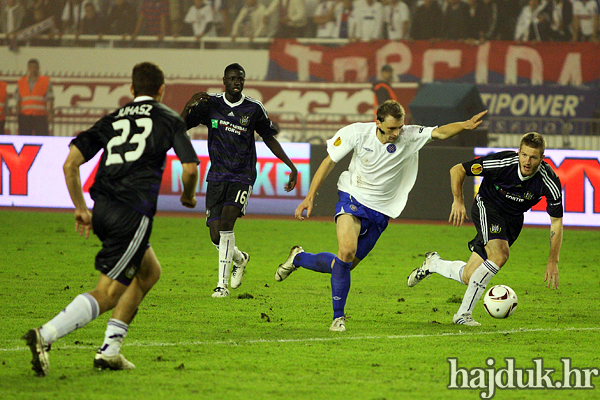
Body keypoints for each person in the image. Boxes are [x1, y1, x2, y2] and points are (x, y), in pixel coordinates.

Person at [22, 62, 199, 376]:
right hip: (131, 212)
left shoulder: (112, 119)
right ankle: (45, 335)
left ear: (131, 90)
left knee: (149, 272)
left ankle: (110, 350)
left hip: (102, 208)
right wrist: (188, 196)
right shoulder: (169, 119)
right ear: (162, 90)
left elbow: (70, 165)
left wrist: (80, 208)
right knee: (108, 292)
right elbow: (189, 169)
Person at [274, 100, 487, 332]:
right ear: (378, 123)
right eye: (391, 129)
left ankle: (298, 258)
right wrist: (310, 196)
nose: (397, 133)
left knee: (342, 265)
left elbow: (440, 132)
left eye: (400, 127)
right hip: (352, 196)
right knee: (346, 251)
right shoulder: (357, 133)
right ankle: (338, 318)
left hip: (382, 211)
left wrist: (464, 125)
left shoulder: (409, 135)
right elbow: (329, 162)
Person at [407, 132, 563, 326]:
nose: (527, 161)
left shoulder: (549, 181)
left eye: (533, 157)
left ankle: (434, 264)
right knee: (499, 255)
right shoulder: (502, 163)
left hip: (513, 221)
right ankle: (463, 315)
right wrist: (458, 201)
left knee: (470, 276)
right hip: (488, 206)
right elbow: (457, 170)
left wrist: (553, 261)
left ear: (542, 158)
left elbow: (556, 221)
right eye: (524, 155)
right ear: (518, 152)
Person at [180, 63, 298, 298]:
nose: (237, 82)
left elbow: (269, 138)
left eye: (241, 79)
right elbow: (179, 126)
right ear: (224, 80)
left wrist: (291, 165)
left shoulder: (253, 108)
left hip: (242, 175)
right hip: (216, 175)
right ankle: (240, 258)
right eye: (233, 78)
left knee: (226, 227)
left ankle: (221, 286)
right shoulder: (210, 104)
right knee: (215, 235)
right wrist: (188, 104)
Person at [15, 58, 54, 136]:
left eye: (35, 67)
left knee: (42, 137)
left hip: (40, 116)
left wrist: (50, 113)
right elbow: (18, 100)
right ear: (28, 68)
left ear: (38, 68)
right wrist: (18, 114)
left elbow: (50, 99)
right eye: (31, 67)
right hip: (25, 116)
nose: (33, 69)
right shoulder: (21, 82)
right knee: (24, 137)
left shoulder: (45, 81)